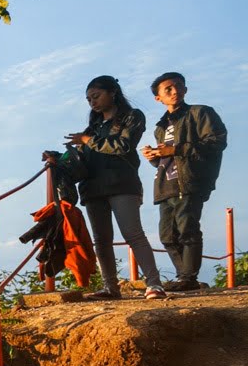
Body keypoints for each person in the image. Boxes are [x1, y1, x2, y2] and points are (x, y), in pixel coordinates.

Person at [42, 75, 166, 300]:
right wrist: (57, 158)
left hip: (122, 184)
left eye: (96, 96)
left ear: (113, 93)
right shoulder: (93, 127)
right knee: (101, 240)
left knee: (133, 234)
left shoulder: (131, 117)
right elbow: (82, 160)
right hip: (93, 188)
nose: (92, 102)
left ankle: (154, 284)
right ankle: (110, 288)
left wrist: (88, 141)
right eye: (89, 99)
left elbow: (123, 145)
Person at [141, 72, 228, 292]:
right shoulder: (160, 127)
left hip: (190, 182)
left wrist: (176, 149)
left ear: (186, 90)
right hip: (165, 185)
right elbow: (169, 159)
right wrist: (155, 157)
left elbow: (216, 142)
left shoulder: (200, 113)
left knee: (187, 228)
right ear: (158, 98)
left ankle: (188, 277)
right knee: (167, 235)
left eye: (178, 86)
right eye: (168, 89)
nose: (174, 91)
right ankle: (185, 277)